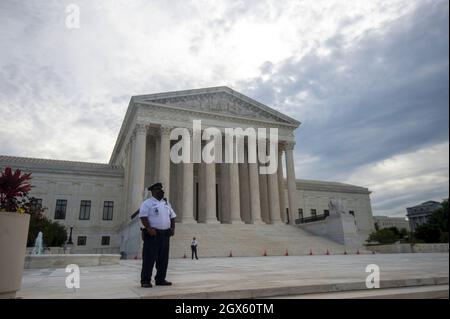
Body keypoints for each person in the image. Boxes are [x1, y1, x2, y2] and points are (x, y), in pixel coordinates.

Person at [139, 182, 176, 288]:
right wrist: (149, 228)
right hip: (153, 235)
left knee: (163, 259)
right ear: (153, 192)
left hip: (165, 234)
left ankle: (160, 279)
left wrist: (173, 228)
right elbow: (143, 216)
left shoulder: (166, 204)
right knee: (149, 259)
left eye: (162, 189)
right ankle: (145, 280)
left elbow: (172, 216)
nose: (162, 191)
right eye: (159, 190)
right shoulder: (147, 203)